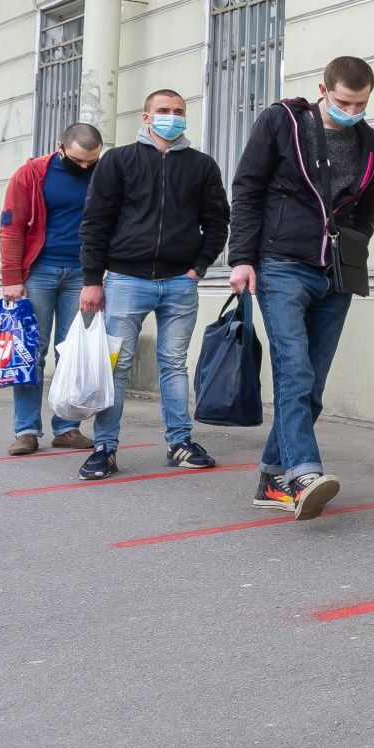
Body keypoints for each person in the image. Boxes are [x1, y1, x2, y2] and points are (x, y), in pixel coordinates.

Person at [226, 57, 374, 520]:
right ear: (322, 89)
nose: (352, 110)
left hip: (336, 273)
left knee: (313, 382)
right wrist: (241, 258)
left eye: (361, 103)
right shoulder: (282, 121)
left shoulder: (368, 138)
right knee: (293, 371)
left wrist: (355, 250)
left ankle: (272, 476)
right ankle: (303, 474)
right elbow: (248, 188)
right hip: (281, 265)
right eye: (343, 101)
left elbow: (367, 207)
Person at [77, 90, 230, 480]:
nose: (172, 117)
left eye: (179, 112)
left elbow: (217, 222)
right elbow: (96, 222)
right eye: (163, 111)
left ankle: (179, 443)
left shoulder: (201, 165)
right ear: (147, 117)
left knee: (174, 365)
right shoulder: (118, 160)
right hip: (126, 280)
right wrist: (93, 280)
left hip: (180, 282)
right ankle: (104, 448)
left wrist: (198, 267)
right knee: (117, 367)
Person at [0, 124, 104, 455]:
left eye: (92, 161)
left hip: (83, 274)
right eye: (77, 160)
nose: (84, 167)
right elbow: (11, 226)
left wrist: (99, 276)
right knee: (31, 352)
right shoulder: (31, 173)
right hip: (38, 272)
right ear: (60, 146)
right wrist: (11, 278)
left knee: (72, 353)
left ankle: (67, 427)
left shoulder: (105, 173)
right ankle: (26, 430)